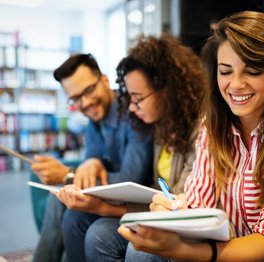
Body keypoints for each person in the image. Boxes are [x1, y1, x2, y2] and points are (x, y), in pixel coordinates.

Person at [118, 11, 264, 262]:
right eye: (225, 71)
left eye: (252, 71)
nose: (236, 84)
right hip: (230, 249)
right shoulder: (214, 124)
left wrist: (190, 251)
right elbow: (198, 201)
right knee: (140, 252)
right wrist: (174, 212)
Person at [55, 34, 207, 261]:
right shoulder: (160, 126)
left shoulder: (199, 132)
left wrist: (102, 207)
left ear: (166, 88)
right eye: (130, 99)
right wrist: (91, 163)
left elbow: (176, 206)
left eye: (138, 99)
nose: (132, 108)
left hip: (177, 217)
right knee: (75, 217)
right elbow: (156, 189)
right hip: (155, 209)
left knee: (106, 237)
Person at [31, 53, 153, 262]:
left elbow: (130, 179)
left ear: (104, 80)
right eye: (76, 98)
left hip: (138, 200)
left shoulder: (134, 112)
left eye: (88, 90)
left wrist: (68, 173)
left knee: (72, 214)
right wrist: (90, 163)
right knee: (61, 199)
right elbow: (92, 162)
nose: (85, 102)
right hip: (115, 197)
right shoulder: (93, 123)